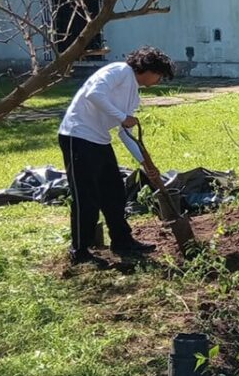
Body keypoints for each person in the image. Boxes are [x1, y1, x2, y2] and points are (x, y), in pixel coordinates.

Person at [57, 46, 173, 265]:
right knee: (86, 196)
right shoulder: (119, 71)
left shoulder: (133, 95)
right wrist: (122, 116)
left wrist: (145, 163)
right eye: (159, 75)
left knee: (115, 192)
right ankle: (79, 251)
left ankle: (121, 240)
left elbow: (125, 133)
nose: (159, 80)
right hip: (77, 135)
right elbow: (94, 94)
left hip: (100, 139)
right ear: (149, 69)